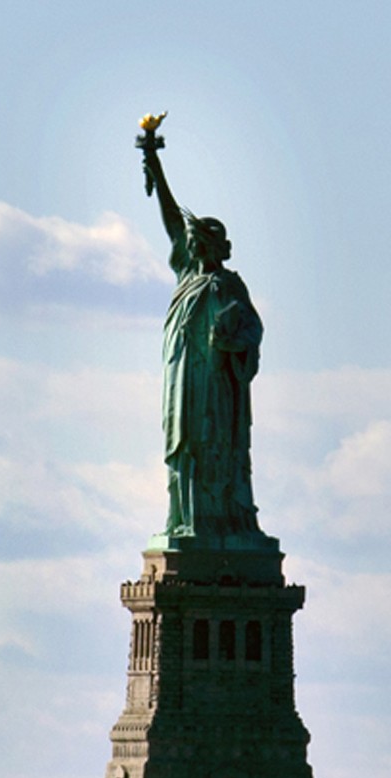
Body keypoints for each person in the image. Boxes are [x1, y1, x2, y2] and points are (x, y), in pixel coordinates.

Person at [139, 120, 267, 543]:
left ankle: (221, 521)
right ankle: (184, 519)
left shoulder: (229, 286)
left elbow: (252, 331)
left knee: (216, 450)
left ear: (213, 245)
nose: (190, 243)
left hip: (217, 387)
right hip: (183, 384)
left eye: (198, 240)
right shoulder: (187, 276)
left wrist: (231, 341)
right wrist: (154, 162)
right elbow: (172, 217)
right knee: (183, 448)